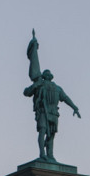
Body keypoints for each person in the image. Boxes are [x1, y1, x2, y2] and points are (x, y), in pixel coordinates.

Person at [24, 30, 80, 161]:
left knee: (51, 133)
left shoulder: (56, 88)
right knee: (43, 130)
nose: (48, 77)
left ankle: (49, 154)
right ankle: (42, 154)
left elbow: (65, 98)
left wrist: (74, 107)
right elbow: (26, 92)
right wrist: (35, 86)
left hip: (53, 112)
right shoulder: (40, 85)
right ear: (45, 76)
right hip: (44, 110)